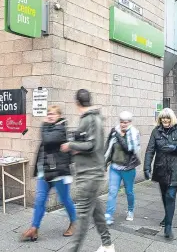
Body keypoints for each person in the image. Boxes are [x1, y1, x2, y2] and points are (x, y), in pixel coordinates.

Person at [61, 89, 115, 252]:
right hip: (91, 172)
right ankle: (107, 244)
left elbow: (91, 145)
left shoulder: (90, 119)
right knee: (97, 212)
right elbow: (89, 144)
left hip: (89, 174)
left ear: (77, 103)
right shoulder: (93, 118)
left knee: (83, 217)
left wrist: (70, 145)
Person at [21, 105, 77, 241]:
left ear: (59, 116)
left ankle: (74, 222)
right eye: (48, 113)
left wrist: (44, 124)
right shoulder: (48, 128)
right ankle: (34, 228)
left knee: (65, 199)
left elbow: (48, 140)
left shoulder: (61, 128)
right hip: (45, 171)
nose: (50, 116)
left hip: (59, 172)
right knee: (40, 200)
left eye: (53, 114)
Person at [144, 108, 177, 239]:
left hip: (176, 169)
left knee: (170, 196)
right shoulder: (156, 131)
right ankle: (167, 216)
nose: (165, 120)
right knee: (165, 196)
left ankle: (168, 227)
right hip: (161, 170)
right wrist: (146, 167)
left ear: (172, 118)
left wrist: (175, 147)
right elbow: (150, 150)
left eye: (167, 118)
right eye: (163, 118)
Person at [104, 111, 141, 225]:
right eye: (121, 122)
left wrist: (119, 136)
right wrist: (104, 161)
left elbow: (129, 149)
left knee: (129, 191)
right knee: (112, 191)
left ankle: (130, 210)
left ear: (130, 122)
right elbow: (108, 146)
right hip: (115, 168)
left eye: (125, 122)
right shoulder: (115, 131)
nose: (123, 124)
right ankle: (109, 214)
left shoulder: (134, 133)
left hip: (128, 168)